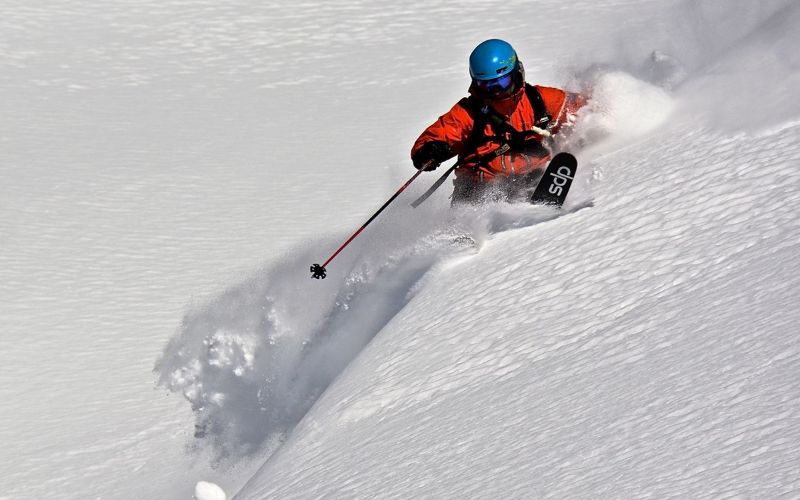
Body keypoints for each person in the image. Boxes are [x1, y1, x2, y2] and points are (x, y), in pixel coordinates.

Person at [411, 39, 586, 204]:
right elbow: (437, 136)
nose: (495, 91)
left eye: (501, 82)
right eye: (486, 85)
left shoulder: (539, 100)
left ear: (517, 73)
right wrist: (429, 151)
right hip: (478, 192)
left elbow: (584, 108)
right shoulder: (468, 114)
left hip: (535, 178)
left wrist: (593, 121)